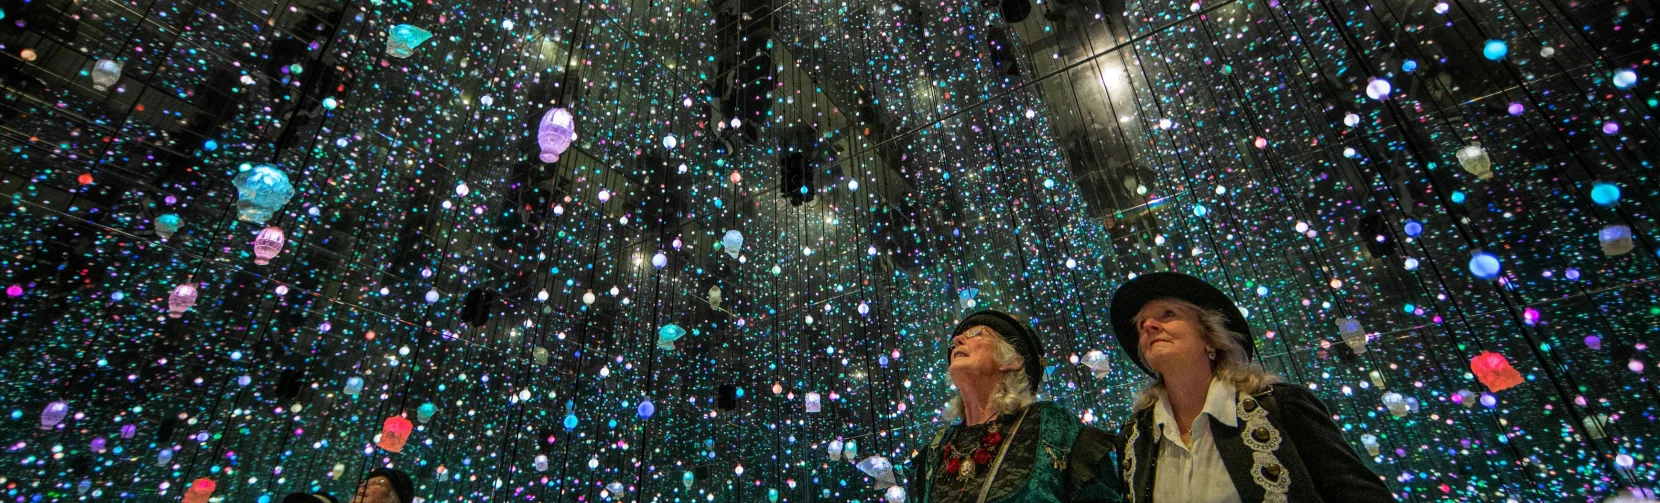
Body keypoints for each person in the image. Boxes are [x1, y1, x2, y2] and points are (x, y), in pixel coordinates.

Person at [1107, 272, 1394, 503]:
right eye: (1142, 324)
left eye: (1168, 314)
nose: (1149, 326)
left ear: (1210, 339)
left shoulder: (1282, 407)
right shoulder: (1135, 436)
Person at [906, 309, 1122, 503]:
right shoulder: (936, 450)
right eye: (956, 340)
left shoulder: (1050, 424)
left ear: (1012, 361)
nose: (957, 339)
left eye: (976, 333)